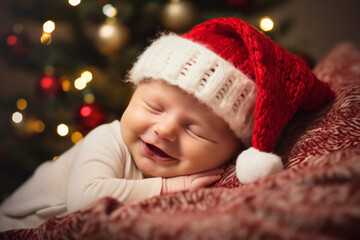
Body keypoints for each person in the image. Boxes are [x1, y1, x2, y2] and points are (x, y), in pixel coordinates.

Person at [0, 17, 334, 231]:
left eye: (195, 130)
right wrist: (167, 188)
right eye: (154, 107)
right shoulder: (107, 139)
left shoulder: (211, 170)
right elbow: (84, 200)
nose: (164, 130)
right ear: (133, 95)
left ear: (235, 151)